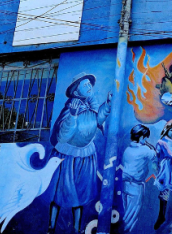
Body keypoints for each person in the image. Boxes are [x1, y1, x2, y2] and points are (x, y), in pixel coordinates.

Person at [47, 72, 112, 234]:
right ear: (76, 92)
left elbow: (97, 120)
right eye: (84, 85)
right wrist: (73, 117)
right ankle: (51, 228)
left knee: (80, 196)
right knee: (59, 195)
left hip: (85, 156)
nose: (88, 86)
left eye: (89, 84)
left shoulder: (91, 104)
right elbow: (62, 136)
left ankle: (76, 229)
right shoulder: (71, 108)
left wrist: (107, 104)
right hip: (67, 157)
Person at [122, 125, 156, 233]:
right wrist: (150, 145)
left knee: (126, 212)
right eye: (145, 137)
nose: (146, 139)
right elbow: (156, 155)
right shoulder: (145, 150)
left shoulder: (127, 149)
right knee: (132, 216)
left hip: (125, 184)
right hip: (136, 186)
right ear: (141, 137)